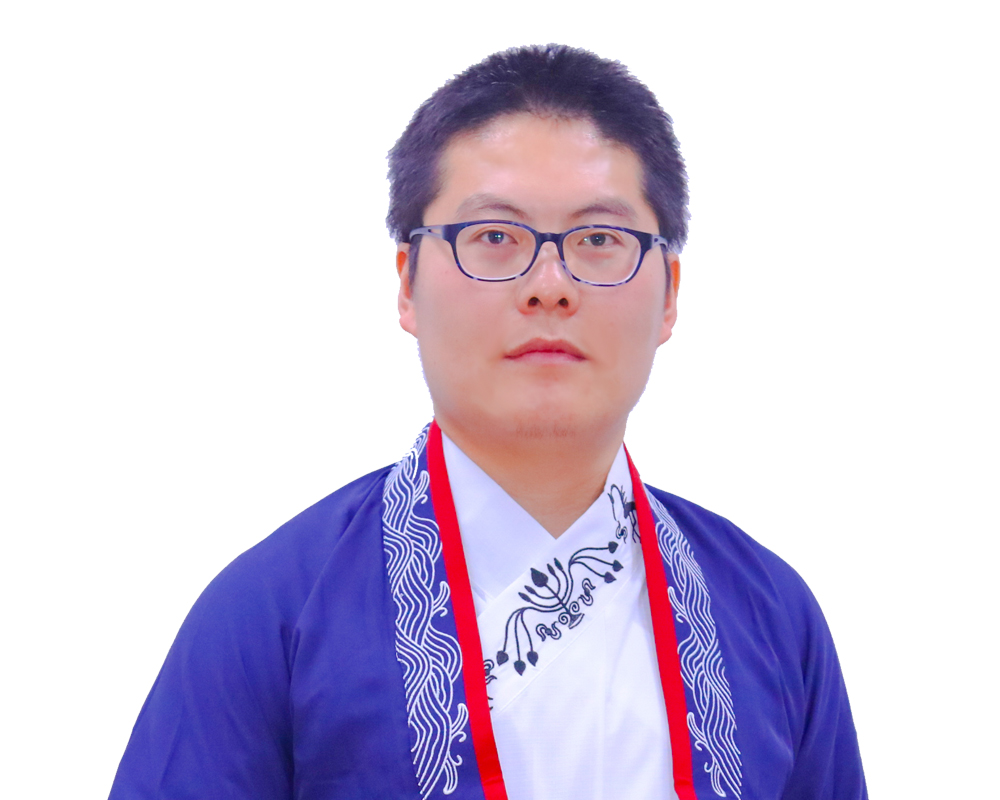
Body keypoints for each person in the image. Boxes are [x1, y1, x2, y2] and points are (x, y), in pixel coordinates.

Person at [110, 44, 867, 800]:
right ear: (407, 282)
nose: (549, 285)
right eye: (496, 238)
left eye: (599, 240)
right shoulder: (269, 615)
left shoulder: (770, 616)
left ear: (669, 293)